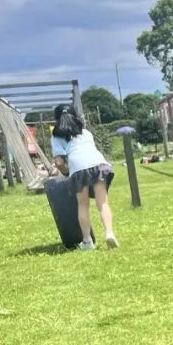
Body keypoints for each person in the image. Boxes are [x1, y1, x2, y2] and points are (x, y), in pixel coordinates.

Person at [50, 104, 119, 250]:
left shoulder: (57, 137)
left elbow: (59, 162)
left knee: (83, 205)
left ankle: (87, 241)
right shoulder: (86, 132)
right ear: (75, 116)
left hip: (78, 168)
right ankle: (109, 233)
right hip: (99, 164)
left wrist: (66, 172)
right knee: (103, 203)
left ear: (56, 120)